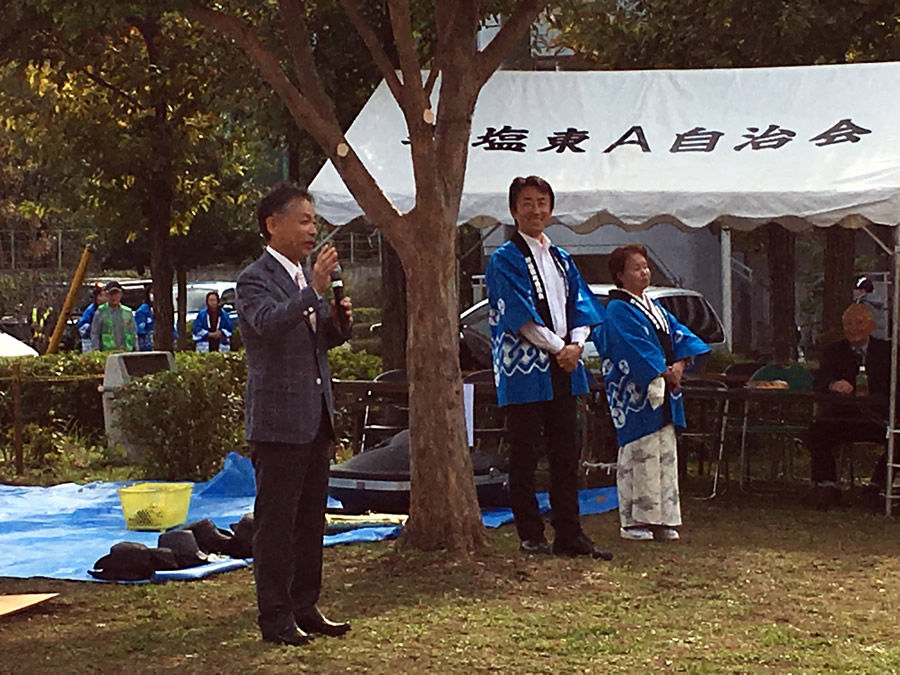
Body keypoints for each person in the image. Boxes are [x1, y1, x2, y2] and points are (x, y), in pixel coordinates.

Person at [236, 183, 353, 646]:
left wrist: (337, 320)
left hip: (315, 416)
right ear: (273, 224)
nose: (312, 229)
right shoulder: (254, 279)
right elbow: (267, 324)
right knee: (276, 524)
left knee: (310, 521)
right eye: (303, 220)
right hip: (279, 421)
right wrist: (315, 291)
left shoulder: (305, 277)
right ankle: (276, 616)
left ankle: (306, 605)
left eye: (314, 221)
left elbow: (315, 341)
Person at [485, 175, 611, 560]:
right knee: (525, 450)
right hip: (525, 368)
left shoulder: (561, 258)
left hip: (564, 364)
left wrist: (577, 344)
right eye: (527, 202)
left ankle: (569, 532)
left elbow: (582, 304)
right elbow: (519, 316)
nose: (535, 210)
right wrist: (562, 348)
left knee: (566, 450)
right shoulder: (504, 259)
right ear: (513, 210)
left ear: (551, 209)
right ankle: (530, 532)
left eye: (542, 202)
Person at [590, 244, 709, 542]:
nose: (644, 272)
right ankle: (634, 521)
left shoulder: (653, 307)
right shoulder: (618, 309)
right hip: (636, 394)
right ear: (620, 275)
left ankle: (664, 518)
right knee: (639, 452)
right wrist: (662, 371)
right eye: (636, 268)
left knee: (664, 453)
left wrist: (679, 364)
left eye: (645, 267)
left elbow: (681, 335)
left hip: (664, 390)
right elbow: (631, 348)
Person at [806, 303, 893, 510]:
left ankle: (876, 487)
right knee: (817, 432)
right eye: (848, 324)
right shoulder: (833, 351)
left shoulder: (887, 351)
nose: (853, 328)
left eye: (859, 323)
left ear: (871, 326)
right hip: (844, 416)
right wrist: (833, 384)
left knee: (898, 438)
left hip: (878, 417)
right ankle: (827, 486)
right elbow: (819, 381)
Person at [90, 280, 137, 352]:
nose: (114, 297)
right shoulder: (100, 312)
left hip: (126, 351)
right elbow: (95, 334)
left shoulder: (128, 312)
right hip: (108, 353)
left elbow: (133, 333)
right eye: (111, 294)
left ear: (121, 294)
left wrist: (136, 349)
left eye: (116, 294)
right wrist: (96, 351)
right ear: (107, 295)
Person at [853, 276, 887, 340]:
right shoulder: (878, 301)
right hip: (880, 335)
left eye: (857, 290)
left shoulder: (863, 303)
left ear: (863, 290)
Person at [78, 284, 108, 353]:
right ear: (98, 297)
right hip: (89, 342)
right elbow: (82, 327)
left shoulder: (109, 309)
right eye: (105, 295)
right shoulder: (90, 310)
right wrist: (94, 328)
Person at [134, 286, 154, 352]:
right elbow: (140, 331)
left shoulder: (164, 311)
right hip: (147, 347)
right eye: (152, 293)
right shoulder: (142, 311)